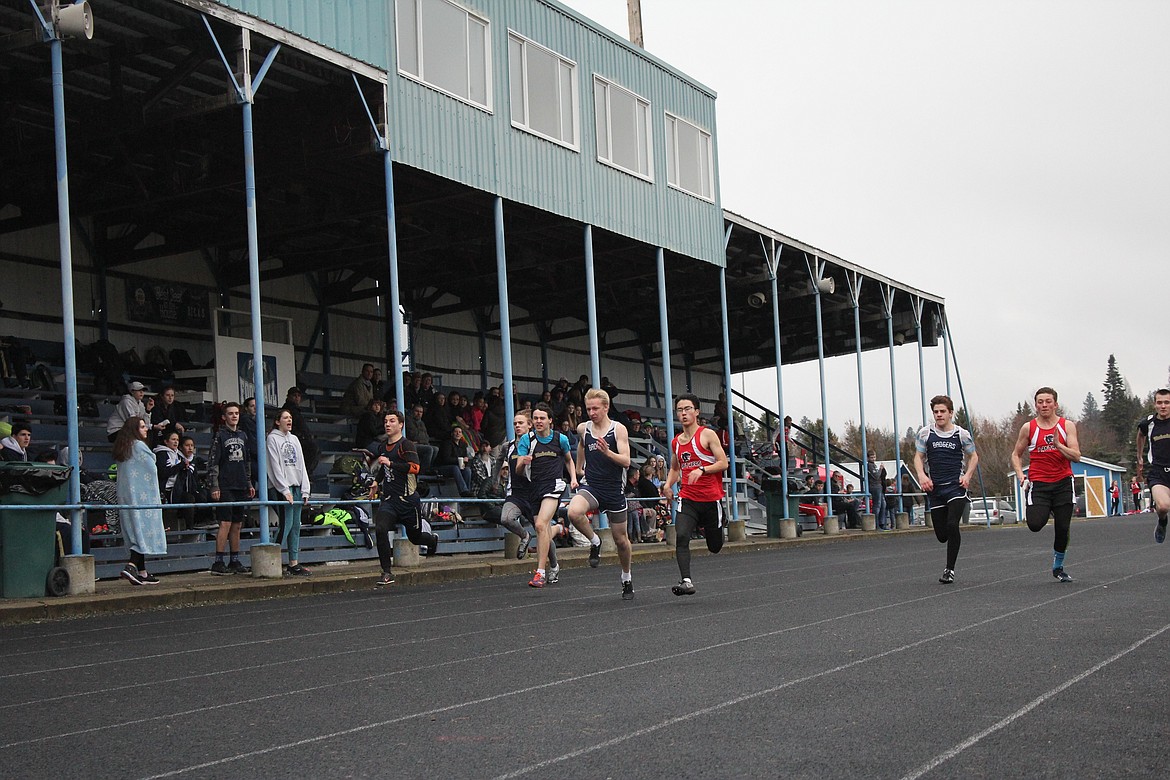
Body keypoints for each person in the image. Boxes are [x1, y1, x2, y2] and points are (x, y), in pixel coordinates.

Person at [567, 388, 634, 599]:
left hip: (614, 490)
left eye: (595, 408)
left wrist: (608, 452)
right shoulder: (583, 428)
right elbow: (581, 445)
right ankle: (595, 541)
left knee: (621, 540)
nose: (591, 412)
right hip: (592, 486)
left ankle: (626, 577)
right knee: (573, 512)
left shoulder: (618, 430)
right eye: (588, 408)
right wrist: (578, 469)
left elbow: (626, 461)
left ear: (606, 407)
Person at [661, 393, 729, 596]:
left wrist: (702, 470)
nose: (683, 413)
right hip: (688, 498)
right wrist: (667, 485)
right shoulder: (676, 442)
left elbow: (723, 463)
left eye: (688, 409)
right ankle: (686, 581)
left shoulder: (707, 435)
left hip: (710, 499)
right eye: (680, 410)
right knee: (681, 536)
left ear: (697, 412)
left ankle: (718, 522)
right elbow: (675, 468)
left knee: (715, 546)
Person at [1011, 386, 1081, 583]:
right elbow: (1015, 454)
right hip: (1039, 484)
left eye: (1048, 401)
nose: (1044, 405)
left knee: (1062, 528)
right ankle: (1043, 507)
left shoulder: (1067, 426)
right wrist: (1020, 476)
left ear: (1056, 404)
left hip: (1063, 483)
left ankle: (1058, 567)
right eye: (1040, 402)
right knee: (1034, 524)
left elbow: (1076, 456)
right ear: (1036, 405)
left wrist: (1059, 446)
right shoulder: (1029, 428)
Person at [366, 410, 440, 586]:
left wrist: (391, 463)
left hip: (408, 500)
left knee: (415, 537)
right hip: (390, 499)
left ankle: (431, 539)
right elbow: (385, 470)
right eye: (385, 421)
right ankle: (386, 572)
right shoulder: (384, 446)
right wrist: (376, 482)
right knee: (381, 529)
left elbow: (415, 468)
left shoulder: (406, 445)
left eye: (392, 421)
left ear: (401, 425)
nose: (388, 424)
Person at [914, 395, 979, 584]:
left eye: (943, 412)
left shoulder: (961, 434)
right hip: (935, 489)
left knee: (952, 524)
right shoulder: (926, 434)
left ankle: (949, 569)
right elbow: (918, 457)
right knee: (942, 535)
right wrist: (922, 475)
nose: (939, 415)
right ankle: (949, 557)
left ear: (951, 413)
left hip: (955, 488)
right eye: (936, 412)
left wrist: (967, 476)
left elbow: (974, 456)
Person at [518, 402, 578, 588]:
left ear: (550, 421)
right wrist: (523, 463)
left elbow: (569, 460)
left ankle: (540, 573)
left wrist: (573, 478)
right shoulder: (527, 440)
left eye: (542, 418)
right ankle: (555, 552)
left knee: (539, 524)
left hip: (554, 485)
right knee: (542, 530)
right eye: (535, 418)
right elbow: (519, 471)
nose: (538, 421)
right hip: (534, 487)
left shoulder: (560, 439)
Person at [112, 417, 166, 585]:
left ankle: (141, 572)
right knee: (142, 530)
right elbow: (151, 468)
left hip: (127, 498)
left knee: (135, 530)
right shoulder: (139, 447)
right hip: (142, 497)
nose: (146, 429)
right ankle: (131, 566)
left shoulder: (124, 448)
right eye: (142, 427)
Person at [207, 401, 255, 575]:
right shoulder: (219, 436)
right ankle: (218, 561)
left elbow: (247, 461)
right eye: (230, 413)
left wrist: (248, 483)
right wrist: (214, 485)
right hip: (225, 484)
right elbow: (213, 462)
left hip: (240, 484)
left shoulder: (243, 435)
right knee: (225, 523)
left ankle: (234, 559)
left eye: (236, 413)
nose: (234, 416)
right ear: (224, 417)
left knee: (237, 524)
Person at [268, 409, 313, 576]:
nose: (289, 420)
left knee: (295, 525)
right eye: (285, 417)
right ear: (277, 421)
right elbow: (274, 466)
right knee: (285, 524)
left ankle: (293, 562)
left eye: (290, 417)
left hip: (296, 486)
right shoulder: (272, 438)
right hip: (281, 487)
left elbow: (301, 464)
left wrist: (305, 489)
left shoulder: (294, 439)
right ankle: (272, 560)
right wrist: (283, 489)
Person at [1137, 388, 1170, 543]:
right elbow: (1140, 436)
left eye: (1167, 403)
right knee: (1163, 506)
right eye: (1160, 403)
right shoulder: (1148, 424)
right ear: (1155, 405)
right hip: (1158, 472)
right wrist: (1140, 458)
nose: (1163, 406)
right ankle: (1162, 521)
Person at [436, 426, 475, 496]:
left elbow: (464, 458)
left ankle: (467, 492)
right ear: (452, 433)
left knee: (467, 470)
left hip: (457, 467)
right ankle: (463, 491)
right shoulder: (447, 444)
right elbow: (446, 459)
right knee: (455, 468)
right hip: (443, 467)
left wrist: (464, 462)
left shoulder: (463, 445)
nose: (458, 434)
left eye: (460, 432)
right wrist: (459, 460)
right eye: (456, 432)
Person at [404, 403, 438, 469]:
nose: (419, 414)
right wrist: (422, 440)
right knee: (429, 449)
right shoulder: (408, 421)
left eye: (421, 412)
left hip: (420, 443)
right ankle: (423, 470)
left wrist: (421, 440)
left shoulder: (422, 423)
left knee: (436, 449)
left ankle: (429, 468)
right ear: (412, 411)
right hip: (411, 445)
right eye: (417, 411)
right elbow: (414, 435)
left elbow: (426, 437)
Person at [867, 450, 889, 529]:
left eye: (874, 457)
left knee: (883, 505)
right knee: (877, 505)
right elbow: (876, 475)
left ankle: (882, 523)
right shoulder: (870, 465)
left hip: (879, 486)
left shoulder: (874, 465)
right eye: (871, 457)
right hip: (874, 486)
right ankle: (876, 524)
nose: (873, 459)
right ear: (868, 458)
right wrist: (880, 469)